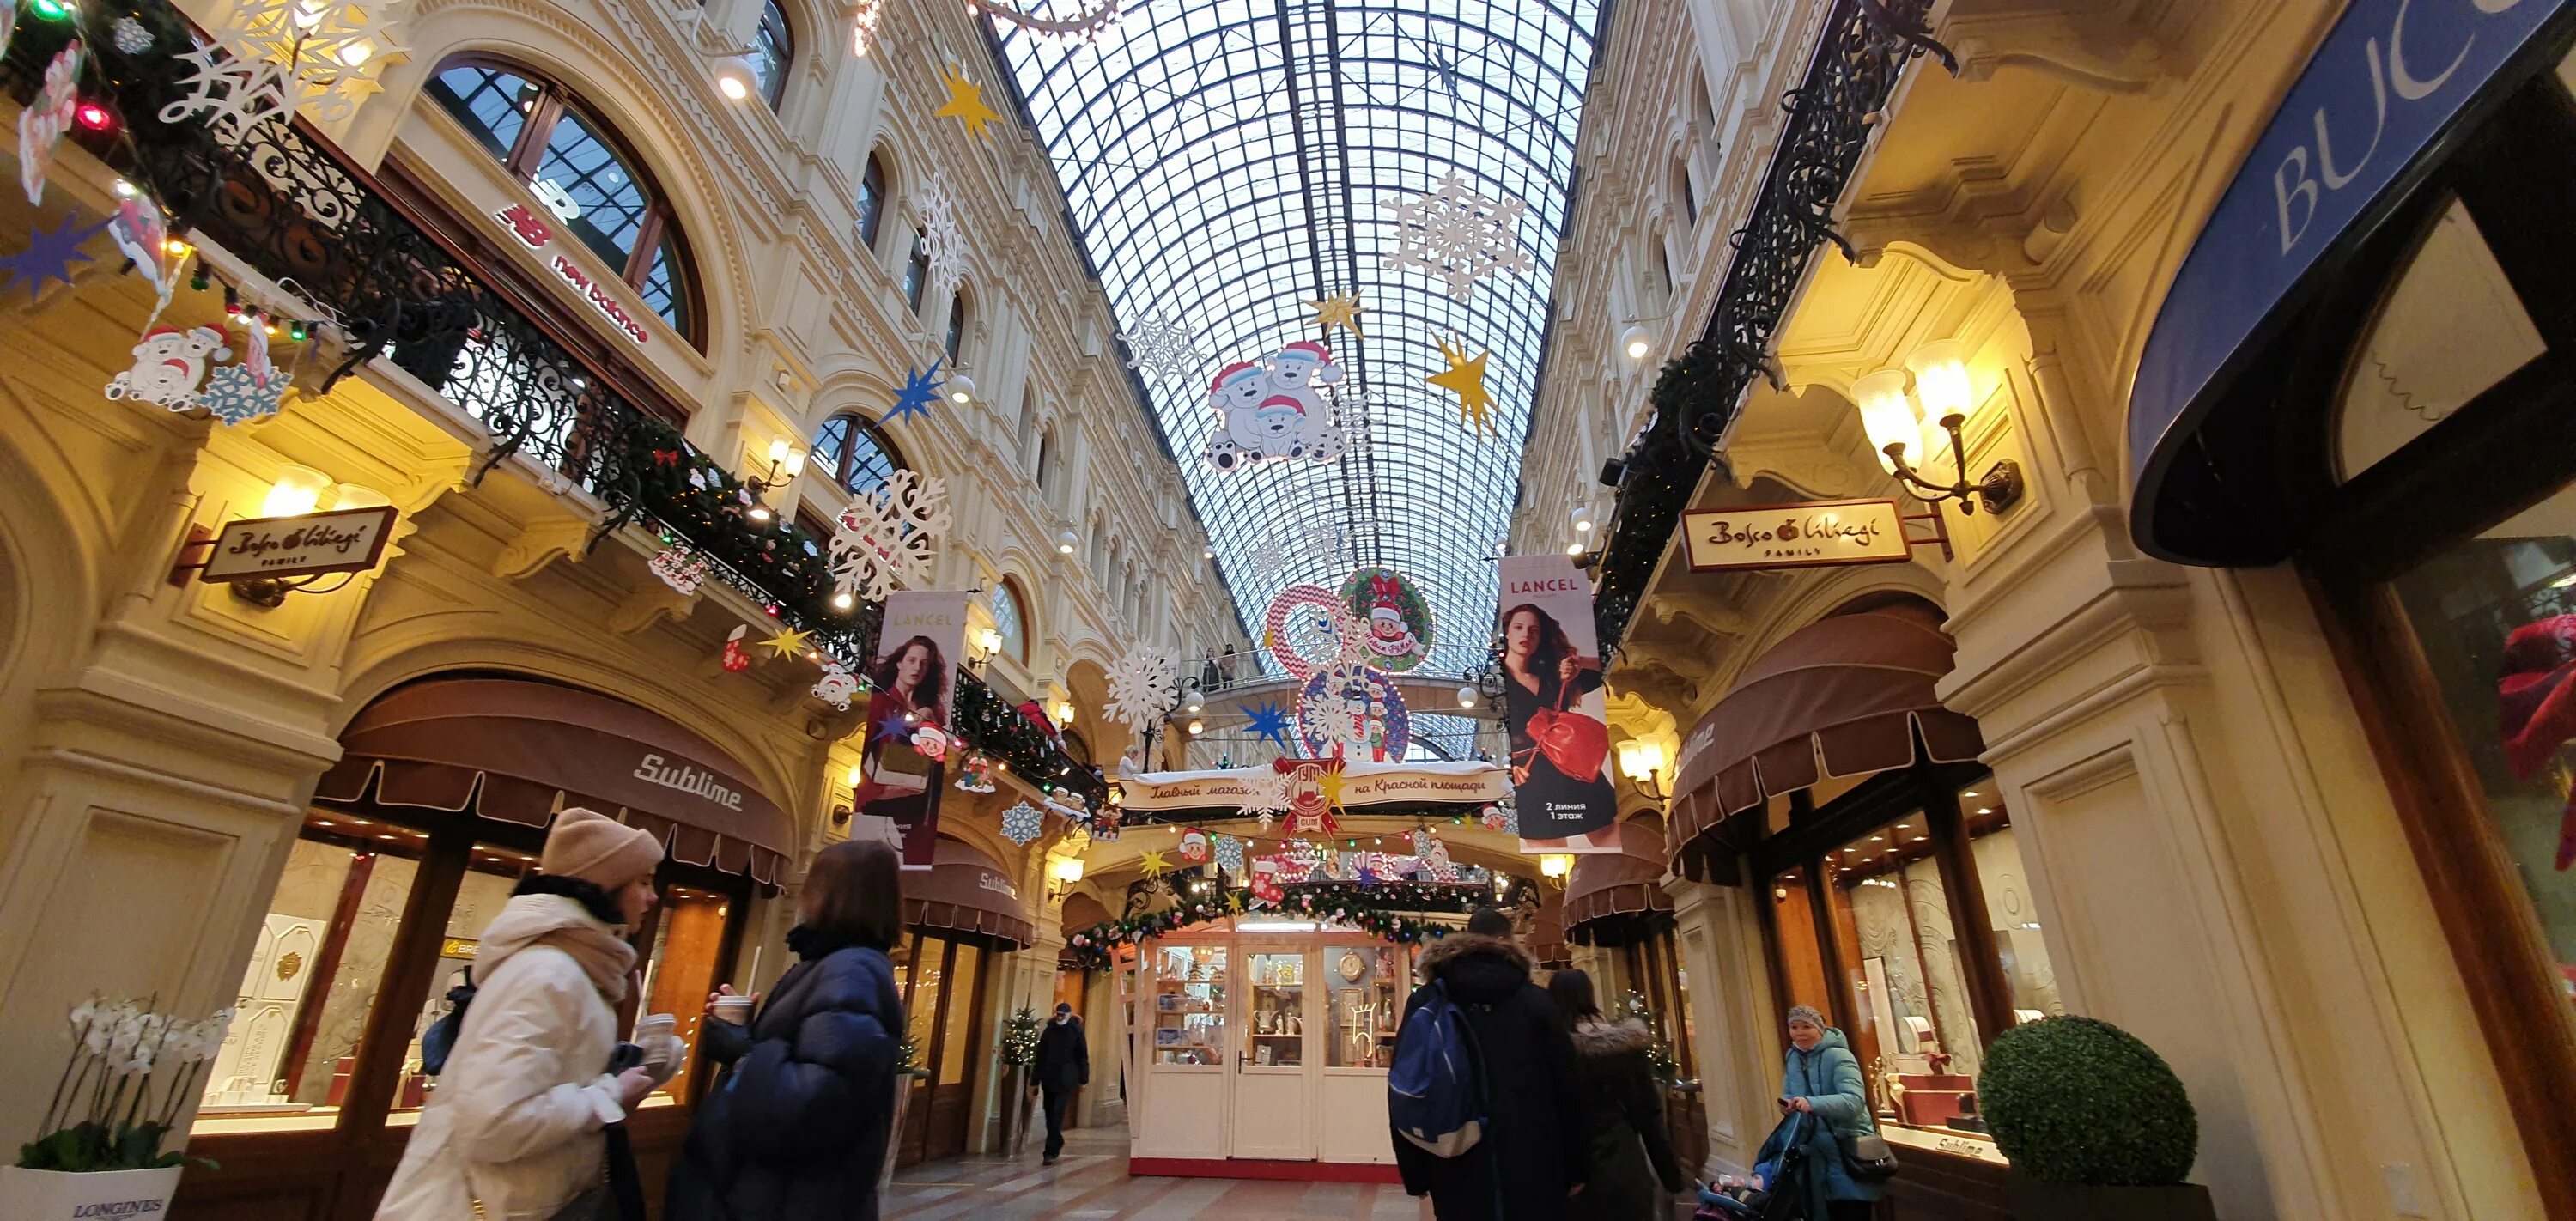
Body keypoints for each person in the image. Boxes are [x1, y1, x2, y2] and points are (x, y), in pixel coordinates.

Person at [376, 807, 668, 1221]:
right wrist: (607, 1096)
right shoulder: (547, 974)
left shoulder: (575, 970)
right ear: (606, 884)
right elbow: (495, 1122)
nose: (653, 897)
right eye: (643, 881)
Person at [666, 839, 907, 1221]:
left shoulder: (851, 972)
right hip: (775, 1194)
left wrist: (744, 1053)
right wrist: (748, 1028)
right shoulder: (829, 965)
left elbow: (819, 1104)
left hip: (787, 1201)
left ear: (829, 893)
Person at [1391, 907, 1587, 1221]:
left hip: (1454, 1161)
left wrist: (1415, 1171)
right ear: (1507, 942)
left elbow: (1405, 1087)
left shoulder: (1428, 1002)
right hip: (1535, 1163)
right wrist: (1577, 1166)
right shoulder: (1535, 1002)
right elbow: (1568, 1087)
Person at [1549, 969, 1686, 1221]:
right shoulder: (1625, 1049)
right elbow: (1649, 1116)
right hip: (1624, 1169)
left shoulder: (1552, 1052)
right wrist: (1671, 1176)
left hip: (1570, 1176)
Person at [1750, 1005, 1884, 1221]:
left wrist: (1811, 1103)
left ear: (1820, 1029)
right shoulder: (1793, 1058)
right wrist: (1789, 1107)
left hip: (1846, 1150)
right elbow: (1791, 1093)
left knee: (1852, 1211)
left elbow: (1854, 1101)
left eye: (1806, 1027)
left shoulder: (1840, 1057)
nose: (1799, 1033)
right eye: (1794, 1027)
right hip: (1813, 1155)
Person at [1497, 604, 1617, 835]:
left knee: (1605, 831)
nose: (1526, 635)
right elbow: (1505, 733)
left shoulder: (1552, 675)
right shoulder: (1499, 684)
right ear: (1507, 632)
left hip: (1573, 765)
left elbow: (1600, 671)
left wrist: (1576, 663)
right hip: (1533, 776)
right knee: (1548, 843)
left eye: (1534, 630)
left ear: (1541, 637)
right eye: (1519, 627)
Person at [1031, 1001, 1091, 1165]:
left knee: (1057, 1112)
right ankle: (1056, 1140)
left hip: (1066, 1078)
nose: (1059, 1017)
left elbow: (1082, 1056)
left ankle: (1050, 1151)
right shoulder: (1049, 1030)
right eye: (1057, 1014)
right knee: (1049, 1112)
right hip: (1049, 1077)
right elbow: (1041, 1055)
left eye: (1062, 1014)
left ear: (1069, 1015)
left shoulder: (1076, 1031)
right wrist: (1035, 1080)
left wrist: (1083, 1079)